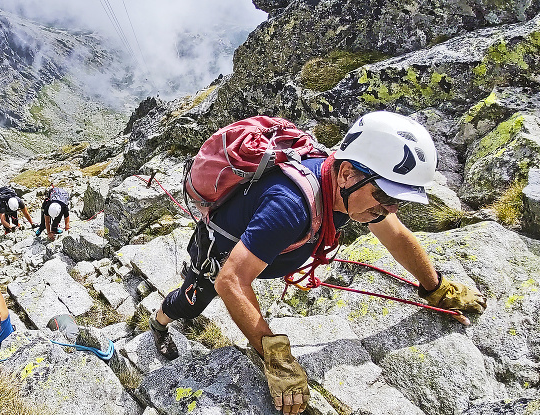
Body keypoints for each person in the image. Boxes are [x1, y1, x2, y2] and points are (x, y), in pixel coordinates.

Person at [148, 112, 488, 415]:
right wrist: (278, 360)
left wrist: (436, 287)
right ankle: (159, 321)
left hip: (261, 252)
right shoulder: (291, 206)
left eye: (399, 200)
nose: (390, 210)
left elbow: (396, 236)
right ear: (347, 173)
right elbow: (231, 281)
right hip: (216, 258)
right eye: (386, 197)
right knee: (192, 302)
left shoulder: (351, 190)